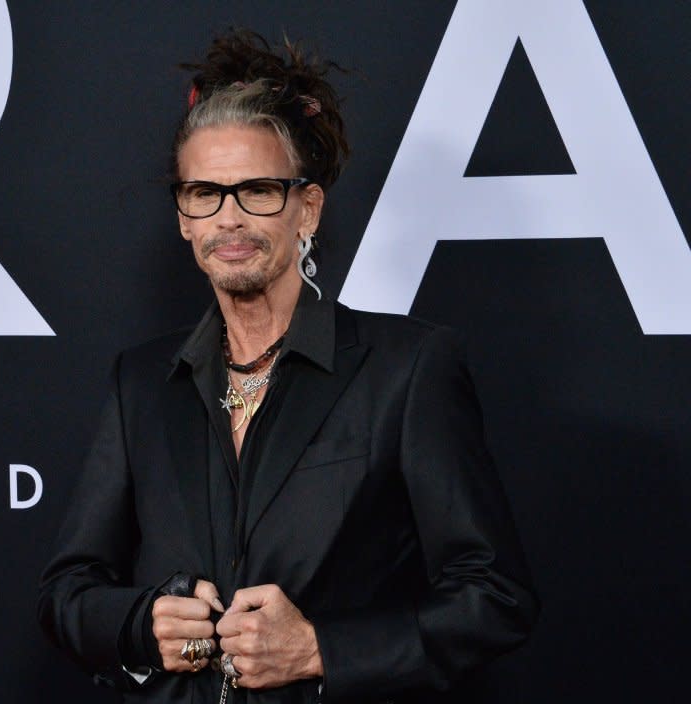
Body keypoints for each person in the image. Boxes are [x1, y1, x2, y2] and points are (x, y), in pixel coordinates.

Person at [38, 29, 538, 704]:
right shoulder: (142, 382)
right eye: (204, 193)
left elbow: (494, 595)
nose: (230, 218)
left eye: (259, 191)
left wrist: (319, 650)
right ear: (183, 217)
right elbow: (68, 591)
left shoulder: (407, 369)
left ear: (307, 208)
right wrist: (137, 623)